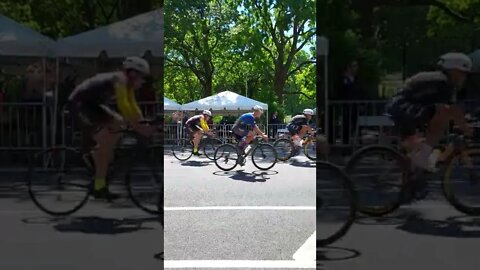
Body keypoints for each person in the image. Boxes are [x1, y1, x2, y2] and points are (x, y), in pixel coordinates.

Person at [68, 56, 155, 199]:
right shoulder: (120, 79)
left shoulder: (127, 84)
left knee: (118, 123)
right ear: (132, 74)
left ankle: (102, 164)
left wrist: (142, 122)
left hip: (93, 104)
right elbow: (123, 105)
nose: (143, 81)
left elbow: (133, 106)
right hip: (79, 104)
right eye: (142, 77)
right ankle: (96, 168)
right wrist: (138, 127)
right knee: (105, 145)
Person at [385, 52, 473, 172]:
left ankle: (411, 180)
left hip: (400, 107)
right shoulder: (443, 82)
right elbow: (450, 110)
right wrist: (466, 129)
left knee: (413, 158)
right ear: (454, 70)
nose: (464, 78)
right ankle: (423, 156)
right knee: (443, 115)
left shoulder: (438, 79)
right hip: (403, 107)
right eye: (463, 73)